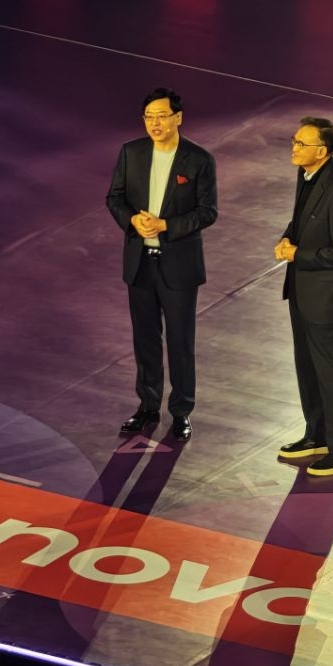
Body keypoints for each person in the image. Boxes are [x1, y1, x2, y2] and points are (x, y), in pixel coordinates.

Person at [106, 87, 217, 442]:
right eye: (149, 117)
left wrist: (166, 225)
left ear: (178, 118)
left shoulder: (198, 160)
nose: (155, 123)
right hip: (140, 262)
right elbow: (115, 198)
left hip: (179, 266)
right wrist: (132, 221)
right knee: (145, 339)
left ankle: (182, 411)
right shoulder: (131, 152)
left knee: (180, 341)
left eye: (162, 116)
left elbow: (207, 212)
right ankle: (148, 405)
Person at [273, 116, 333, 476]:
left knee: (330, 371)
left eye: (301, 144)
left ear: (322, 151)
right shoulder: (308, 174)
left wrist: (298, 254)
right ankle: (318, 436)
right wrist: (287, 237)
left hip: (327, 297)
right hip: (304, 289)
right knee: (307, 367)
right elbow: (303, 219)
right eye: (294, 141)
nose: (294, 148)